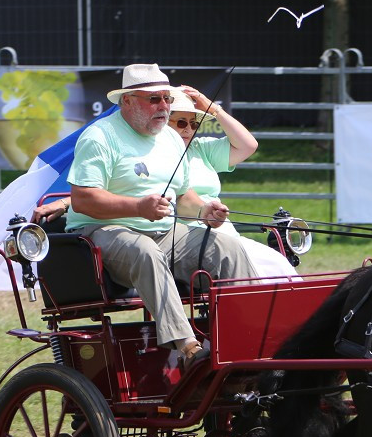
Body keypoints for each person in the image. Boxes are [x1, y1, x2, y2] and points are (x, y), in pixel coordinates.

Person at [32, 63, 258, 369]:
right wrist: (138, 207)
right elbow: (84, 199)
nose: (164, 106)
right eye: (154, 99)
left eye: (166, 98)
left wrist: (205, 211)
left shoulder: (170, 139)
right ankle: (189, 347)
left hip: (165, 231)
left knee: (227, 248)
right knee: (145, 251)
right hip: (103, 233)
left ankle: (250, 340)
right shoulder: (100, 137)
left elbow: (183, 196)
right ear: (126, 100)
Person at [167, 87, 300, 280]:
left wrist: (215, 110)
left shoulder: (201, 148)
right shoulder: (157, 154)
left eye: (194, 124)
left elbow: (248, 145)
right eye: (181, 122)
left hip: (227, 235)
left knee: (280, 265)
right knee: (257, 275)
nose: (188, 129)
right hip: (189, 238)